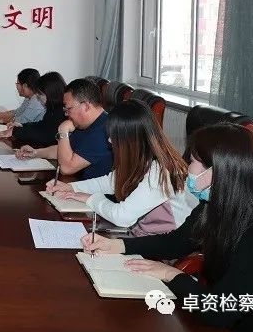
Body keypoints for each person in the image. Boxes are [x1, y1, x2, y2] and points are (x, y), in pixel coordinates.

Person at [83, 124, 253, 332]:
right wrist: (119, 245)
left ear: (218, 171)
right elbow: (177, 242)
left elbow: (219, 310)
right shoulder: (216, 206)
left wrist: (171, 274)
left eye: (193, 161)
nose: (188, 168)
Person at [47, 100, 197, 235]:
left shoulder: (160, 172)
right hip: (141, 233)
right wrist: (71, 187)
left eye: (114, 136)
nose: (109, 140)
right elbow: (110, 182)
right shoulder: (142, 159)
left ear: (131, 138)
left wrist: (89, 198)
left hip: (161, 246)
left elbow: (122, 217)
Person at [17, 78, 112, 179]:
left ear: (85, 106)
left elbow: (66, 168)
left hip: (91, 188)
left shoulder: (104, 129)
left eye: (68, 109)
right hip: (78, 183)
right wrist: (36, 153)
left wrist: (63, 131)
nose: (66, 114)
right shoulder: (86, 124)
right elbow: (65, 150)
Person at [8, 71, 67, 148]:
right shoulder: (53, 108)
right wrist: (22, 125)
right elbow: (43, 125)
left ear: (51, 94)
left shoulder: (63, 111)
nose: (38, 98)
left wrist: (16, 131)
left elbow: (47, 136)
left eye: (40, 94)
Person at [0, 68, 46, 137]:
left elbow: (20, 121)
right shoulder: (29, 97)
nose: (16, 86)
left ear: (25, 85)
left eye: (17, 83)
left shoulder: (37, 100)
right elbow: (17, 112)